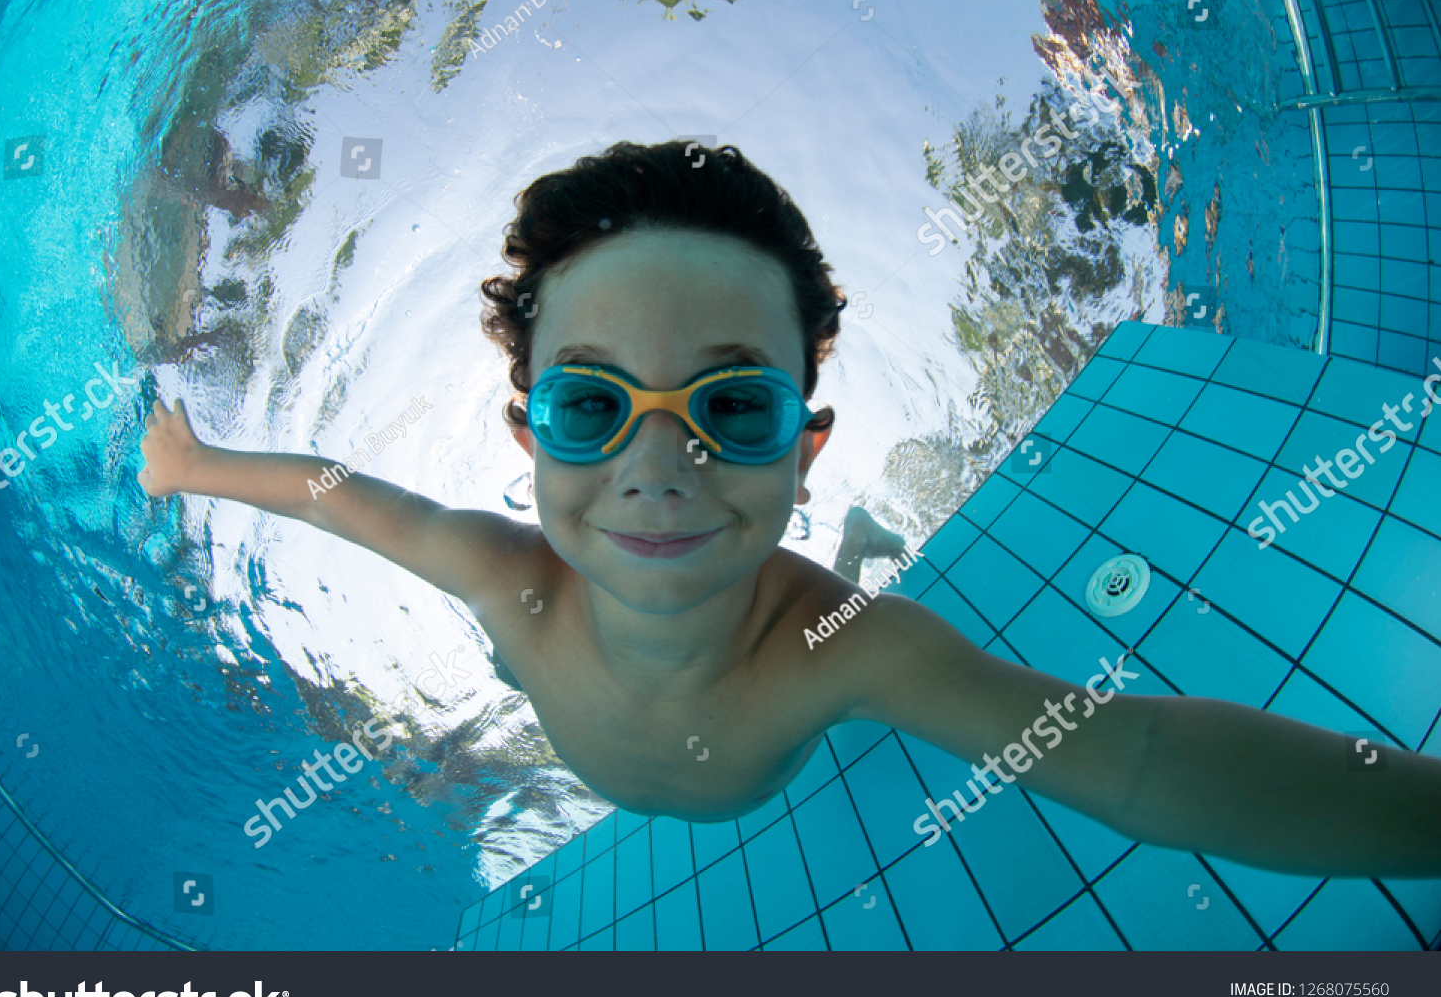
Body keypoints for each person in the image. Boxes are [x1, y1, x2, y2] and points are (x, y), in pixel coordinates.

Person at [139, 140, 1441, 879]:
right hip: (567, 707)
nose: (659, 469)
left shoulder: (844, 647)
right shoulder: (507, 576)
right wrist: (190, 466)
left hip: (769, 721)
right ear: (524, 435)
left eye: (734, 410)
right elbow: (337, 496)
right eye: (593, 408)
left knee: (862, 586)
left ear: (803, 449)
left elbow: (1136, 758)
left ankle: (865, 539)